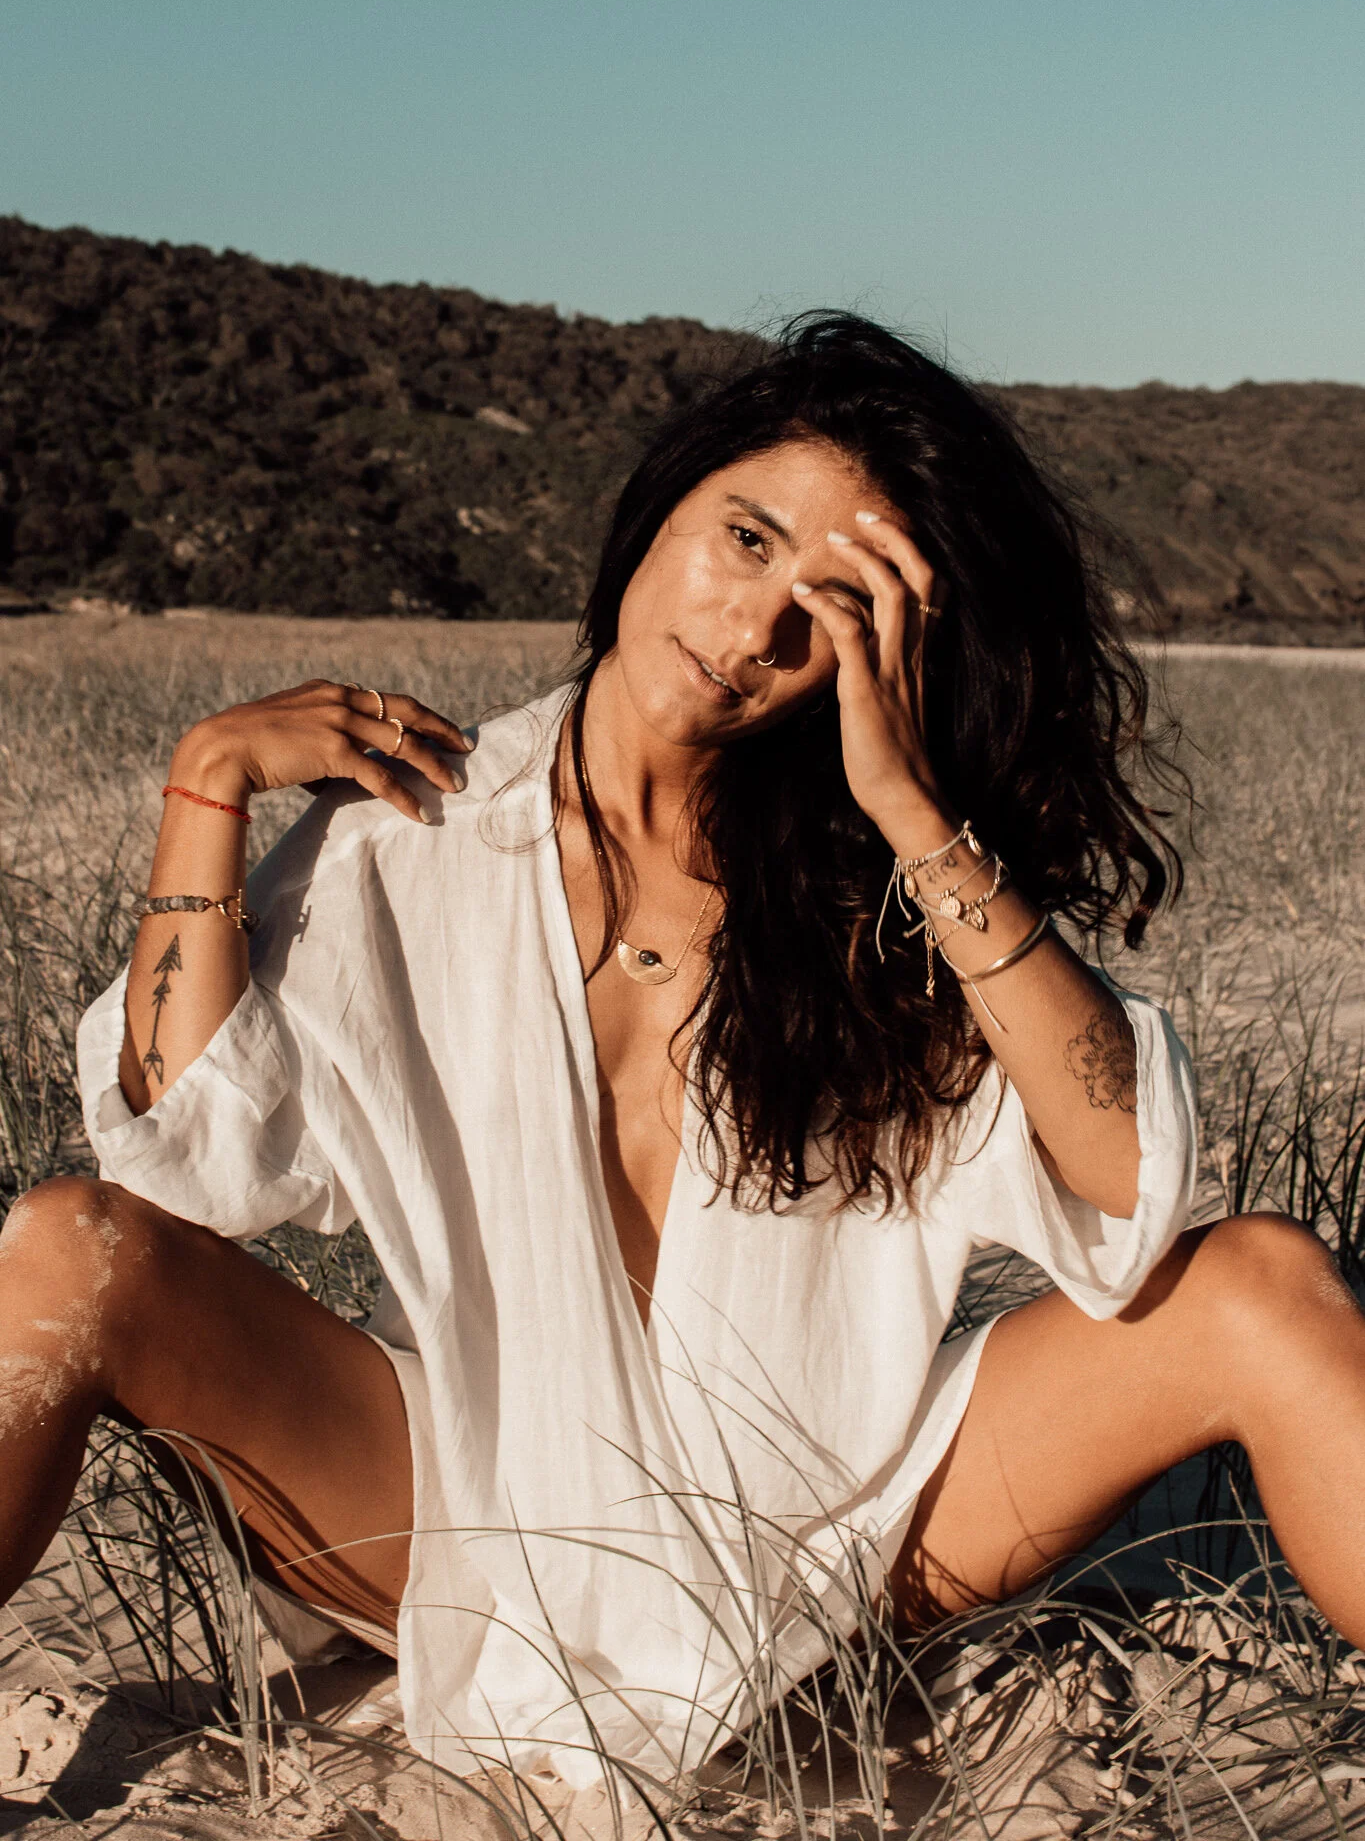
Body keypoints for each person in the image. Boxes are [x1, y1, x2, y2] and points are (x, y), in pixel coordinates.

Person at [2, 314, 1363, 1789]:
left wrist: (916, 817)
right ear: (661, 504)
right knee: (69, 1247)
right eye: (746, 538)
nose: (753, 629)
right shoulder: (413, 829)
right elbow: (182, 1151)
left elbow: (1130, 1182)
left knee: (1260, 1286)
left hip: (845, 1536)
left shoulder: (884, 888)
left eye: (832, 607)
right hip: (467, 1517)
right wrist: (204, 785)